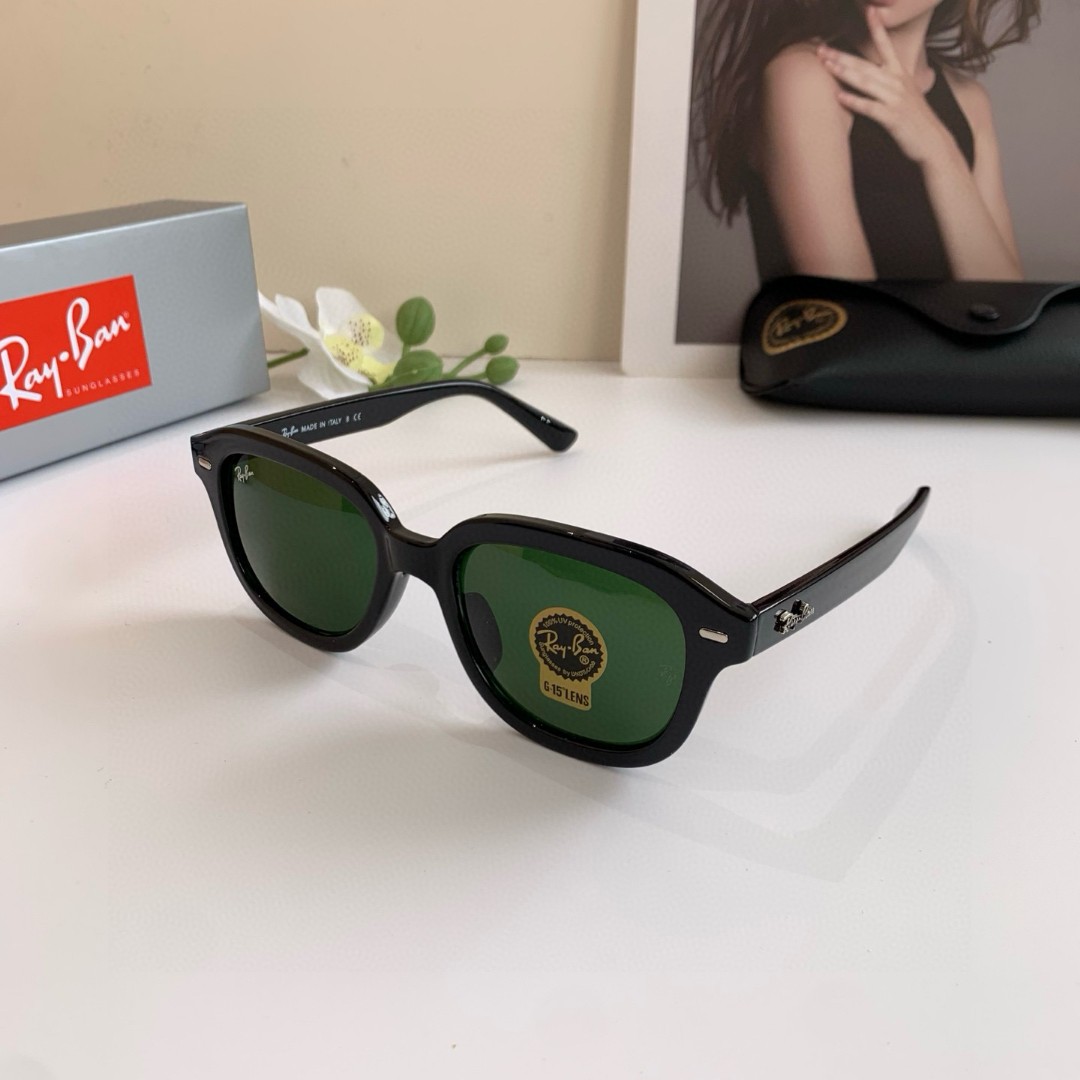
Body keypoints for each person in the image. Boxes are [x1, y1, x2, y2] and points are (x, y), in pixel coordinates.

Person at [690, 0, 1040, 282]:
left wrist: (939, 152)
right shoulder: (803, 80)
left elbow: (1003, 309)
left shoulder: (970, 103)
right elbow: (848, 318)